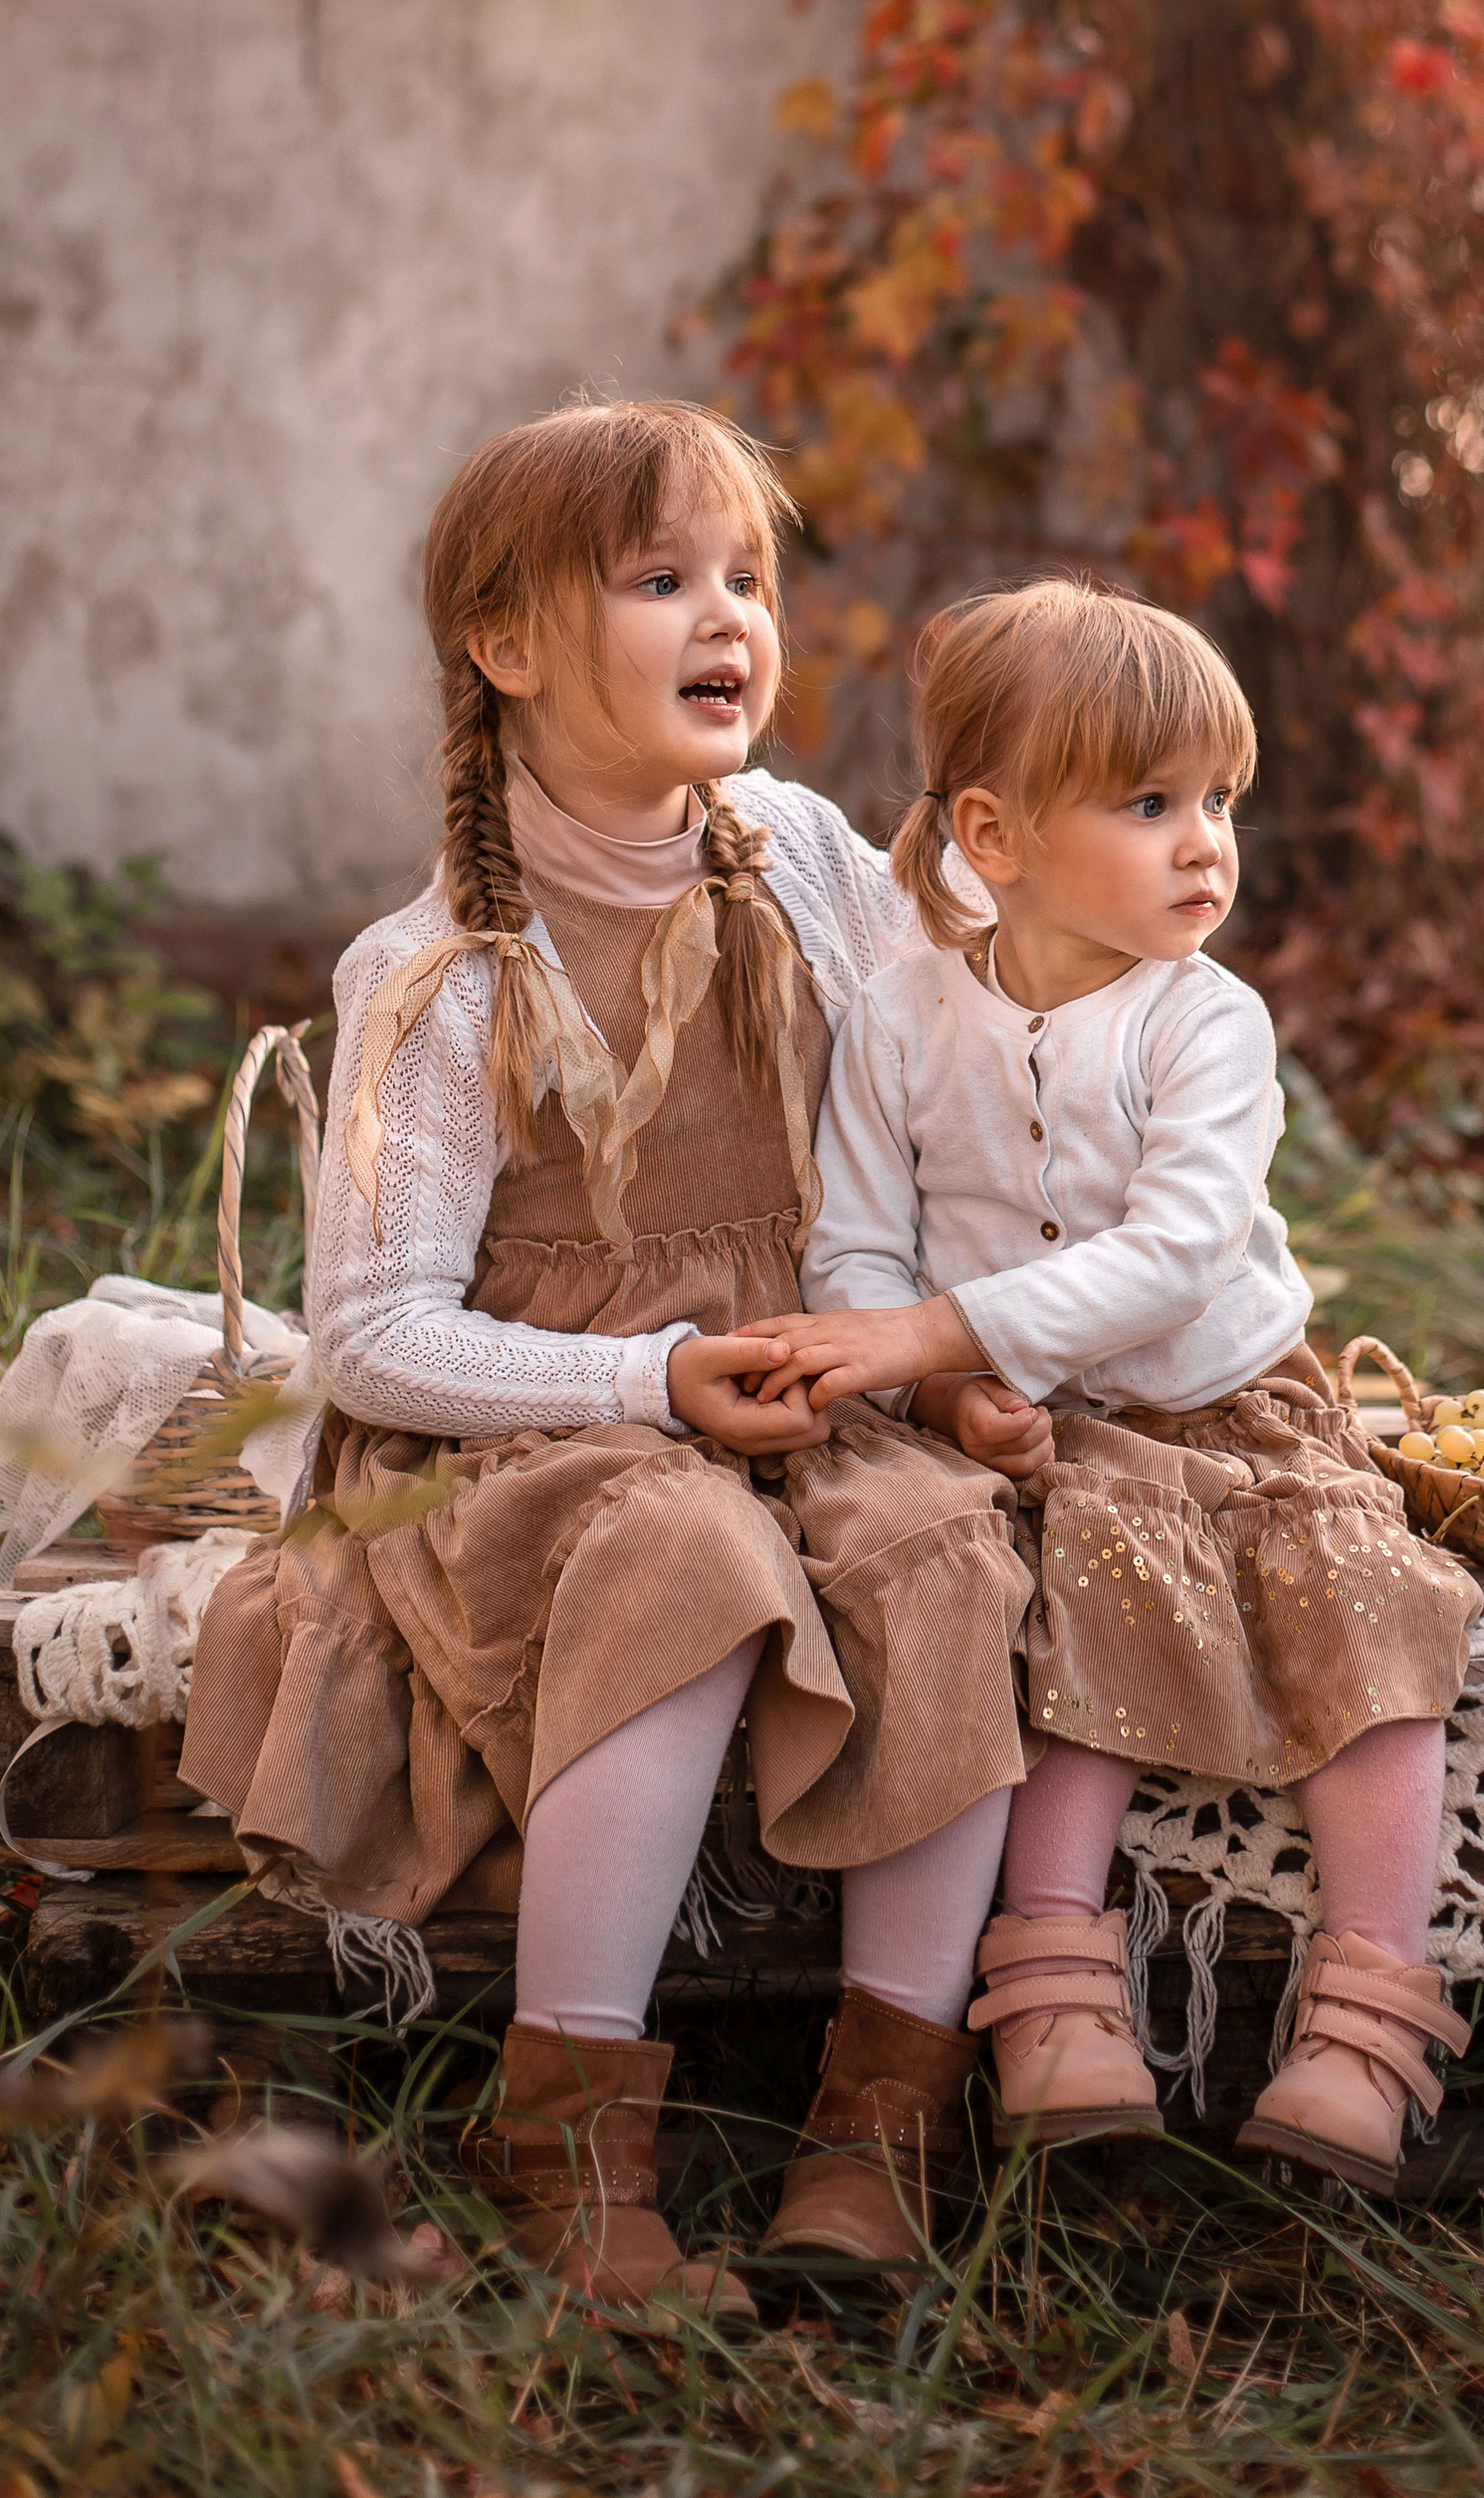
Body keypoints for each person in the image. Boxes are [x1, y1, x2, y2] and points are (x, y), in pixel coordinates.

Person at [181, 401, 1037, 2319]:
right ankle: (568, 2129)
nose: (730, 617)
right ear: (506, 646)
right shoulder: (441, 970)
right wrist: (650, 1383)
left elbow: (944, 1113)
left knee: (949, 1551)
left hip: (795, 1388)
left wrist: (941, 1349)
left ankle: (876, 2124)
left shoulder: (809, 863)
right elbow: (376, 1340)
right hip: (536, 1436)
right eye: (661, 582)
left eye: (745, 577)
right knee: (693, 1559)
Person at [747, 577, 1482, 2192]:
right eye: (1150, 806)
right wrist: (943, 1399)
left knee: (1368, 1597)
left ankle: (1366, 2015)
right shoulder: (898, 1017)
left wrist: (937, 1344)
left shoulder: (1209, 1025)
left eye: (1220, 799)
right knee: (1080, 1590)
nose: (1206, 842)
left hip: (1237, 1395)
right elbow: (859, 1251)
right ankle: (1055, 1990)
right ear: (995, 837)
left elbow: (1171, 1258)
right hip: (1063, 1431)